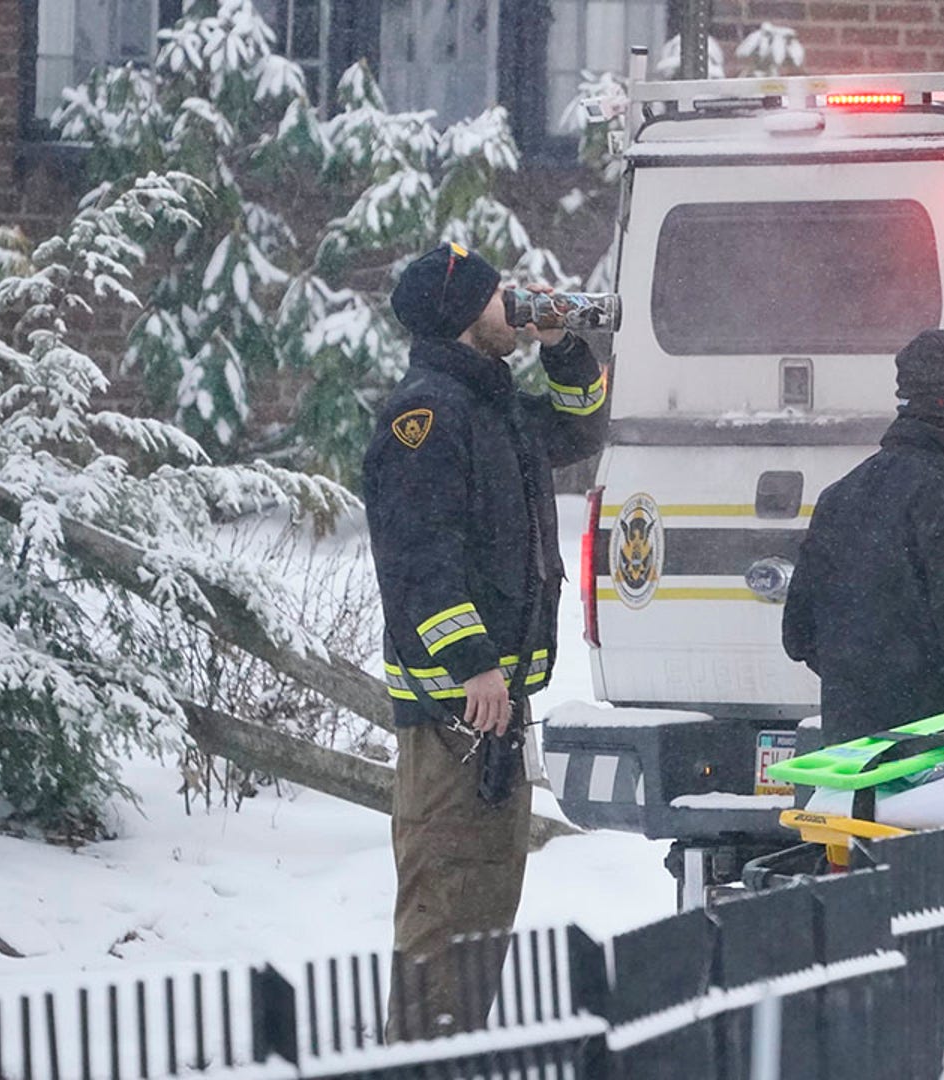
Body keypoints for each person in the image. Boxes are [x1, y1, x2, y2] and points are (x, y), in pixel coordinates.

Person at [365, 242, 609, 1039]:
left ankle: (455, 1048)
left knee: (485, 902)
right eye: (501, 294)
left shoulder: (492, 410)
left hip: (494, 714)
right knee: (445, 902)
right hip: (453, 715)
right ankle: (417, 1057)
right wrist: (473, 664)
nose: (516, 300)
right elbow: (418, 559)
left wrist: (565, 342)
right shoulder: (426, 419)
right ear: (466, 315)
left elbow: (580, 428)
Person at [781, 328, 944, 745]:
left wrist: (866, 684)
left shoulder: (839, 494)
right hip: (940, 750)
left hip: (852, 750)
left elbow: (799, 634)